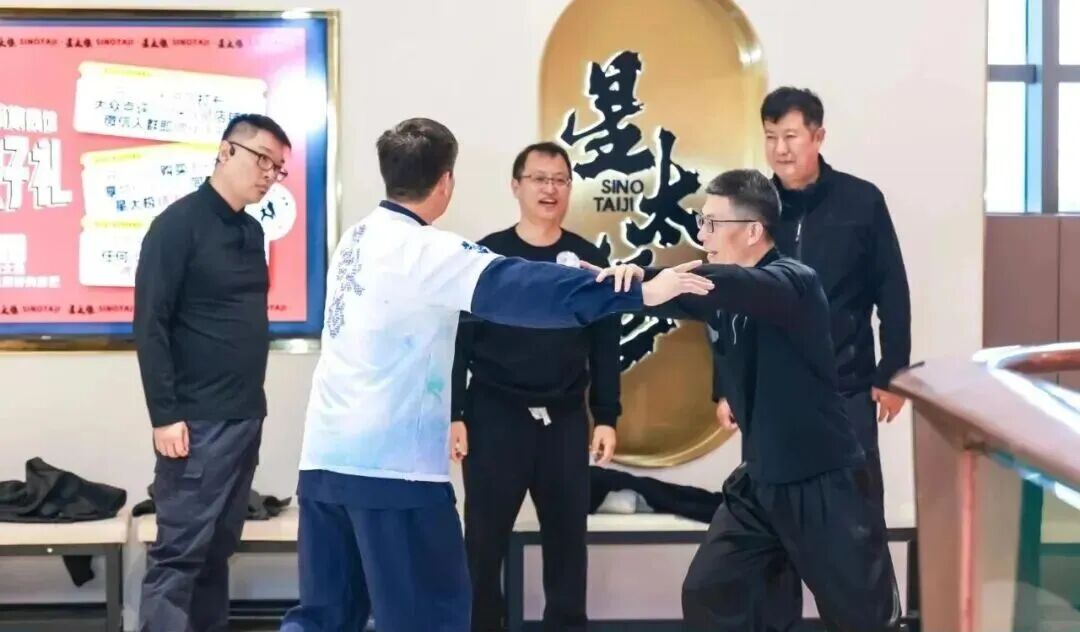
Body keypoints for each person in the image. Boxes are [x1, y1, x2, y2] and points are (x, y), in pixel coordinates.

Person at [279, 118, 713, 632]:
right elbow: (521, 287)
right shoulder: (428, 250)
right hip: (393, 473)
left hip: (324, 465)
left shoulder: (355, 239)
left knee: (323, 617)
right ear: (446, 181)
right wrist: (639, 291)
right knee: (427, 616)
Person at [592, 169, 899, 632]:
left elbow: (736, 285)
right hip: (760, 483)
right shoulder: (718, 292)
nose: (702, 235)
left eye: (712, 224)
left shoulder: (794, 283)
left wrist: (659, 281)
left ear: (753, 231)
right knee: (711, 592)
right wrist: (619, 281)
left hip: (823, 482)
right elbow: (671, 294)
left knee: (863, 620)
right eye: (702, 222)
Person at [450, 142, 620, 631]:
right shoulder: (486, 257)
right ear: (516, 186)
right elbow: (458, 343)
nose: (550, 189)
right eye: (539, 179)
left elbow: (605, 346)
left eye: (560, 180)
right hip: (494, 416)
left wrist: (606, 416)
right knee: (483, 543)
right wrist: (455, 413)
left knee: (567, 544)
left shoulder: (588, 261)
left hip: (564, 417)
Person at [134, 113, 291, 631]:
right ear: (226, 152)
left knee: (217, 551)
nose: (269, 174)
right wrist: (164, 415)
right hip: (195, 422)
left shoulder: (251, 230)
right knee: (179, 555)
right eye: (262, 159)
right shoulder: (177, 225)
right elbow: (151, 324)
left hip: (245, 415)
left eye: (278, 167)